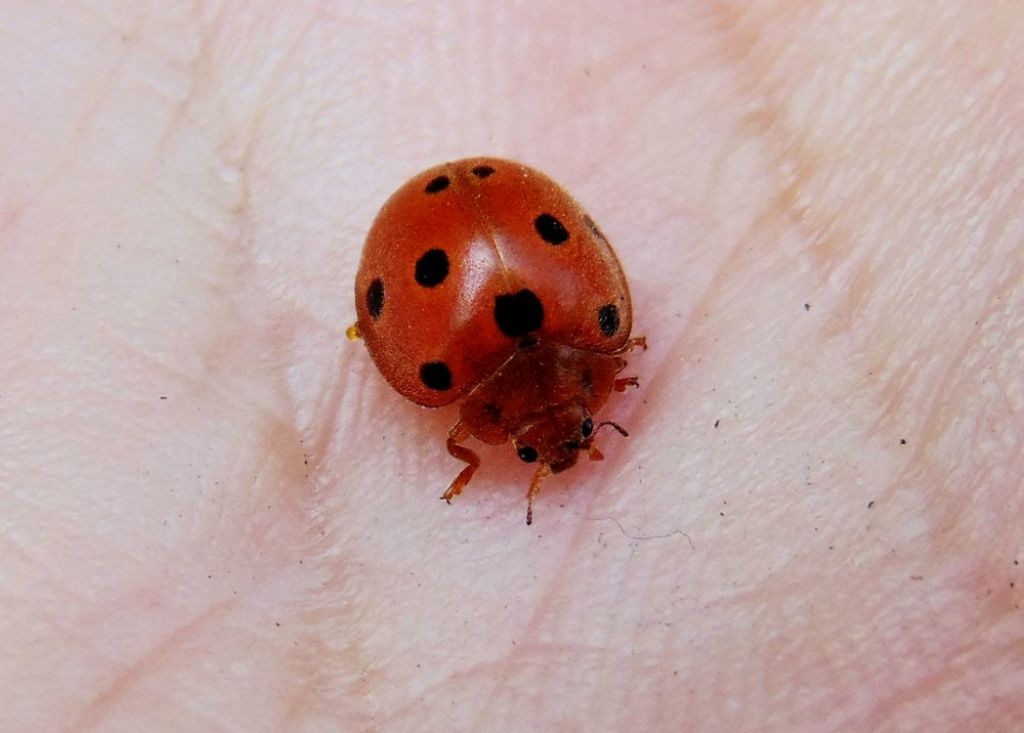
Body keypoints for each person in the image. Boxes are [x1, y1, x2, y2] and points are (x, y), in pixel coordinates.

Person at [1, 3, 1020, 729]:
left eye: (550, 439)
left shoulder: (525, 360)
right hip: (478, 232)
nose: (567, 441)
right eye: (560, 438)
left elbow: (463, 399)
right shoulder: (572, 342)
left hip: (479, 245)